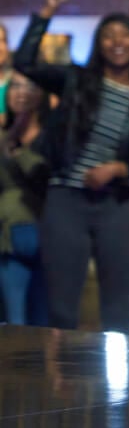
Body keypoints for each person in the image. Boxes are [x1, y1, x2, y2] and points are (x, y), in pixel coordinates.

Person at [15, 0, 129, 333]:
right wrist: (48, 10)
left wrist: (120, 168)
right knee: (62, 311)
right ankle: (62, 371)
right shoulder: (76, 80)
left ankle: (116, 373)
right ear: (99, 43)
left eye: (125, 34)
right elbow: (25, 62)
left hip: (119, 206)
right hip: (66, 201)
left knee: (117, 313)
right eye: (108, 35)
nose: (117, 41)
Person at [0, 72, 51, 325]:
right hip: (9, 234)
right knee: (15, 319)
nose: (21, 93)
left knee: (44, 318)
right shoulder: (3, 136)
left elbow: (46, 178)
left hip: (49, 232)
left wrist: (19, 153)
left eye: (28, 86)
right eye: (15, 86)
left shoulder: (52, 136)